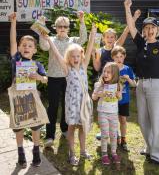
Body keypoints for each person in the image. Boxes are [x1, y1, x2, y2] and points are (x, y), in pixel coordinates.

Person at [124, 0, 159, 164]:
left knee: (158, 120)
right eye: (147, 28)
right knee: (143, 119)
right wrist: (127, 8)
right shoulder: (141, 44)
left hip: (157, 86)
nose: (149, 31)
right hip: (141, 85)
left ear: (157, 30)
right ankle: (150, 148)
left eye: (152, 28)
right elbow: (131, 27)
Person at [42, 24, 96, 165]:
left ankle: (83, 151)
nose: (76, 58)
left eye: (78, 56)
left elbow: (89, 48)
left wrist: (93, 35)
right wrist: (49, 41)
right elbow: (58, 55)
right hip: (72, 103)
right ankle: (72, 153)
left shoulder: (84, 66)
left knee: (83, 127)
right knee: (71, 127)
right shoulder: (66, 68)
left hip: (84, 102)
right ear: (69, 57)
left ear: (81, 56)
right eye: (72, 56)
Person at [39, 11, 87, 147]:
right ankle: (49, 136)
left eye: (65, 26)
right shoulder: (51, 40)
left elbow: (83, 39)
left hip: (69, 79)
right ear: (55, 27)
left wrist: (82, 20)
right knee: (52, 107)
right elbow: (43, 46)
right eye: (59, 26)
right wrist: (42, 27)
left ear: (68, 28)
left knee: (67, 105)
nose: (62, 28)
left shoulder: (72, 41)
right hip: (53, 77)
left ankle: (65, 130)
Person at [92, 10, 141, 141]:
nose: (109, 39)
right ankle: (103, 132)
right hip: (104, 82)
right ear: (103, 38)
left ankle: (116, 132)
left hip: (116, 84)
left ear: (115, 38)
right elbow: (97, 67)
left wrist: (134, 17)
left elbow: (126, 31)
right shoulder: (99, 50)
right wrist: (93, 54)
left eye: (112, 37)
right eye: (107, 37)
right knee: (103, 107)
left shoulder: (116, 48)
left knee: (115, 109)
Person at [9, 12, 48, 168]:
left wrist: (38, 77)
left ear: (34, 50)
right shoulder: (16, 59)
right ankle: (20, 153)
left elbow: (45, 79)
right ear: (19, 48)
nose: (26, 47)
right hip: (17, 97)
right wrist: (13, 23)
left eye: (30, 46)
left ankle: (36, 150)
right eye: (23, 45)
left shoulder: (37, 65)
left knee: (36, 125)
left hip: (32, 97)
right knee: (18, 127)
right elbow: (12, 41)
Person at [92, 62, 122, 165]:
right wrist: (100, 94)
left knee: (114, 135)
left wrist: (118, 95)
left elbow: (120, 97)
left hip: (114, 114)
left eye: (109, 72)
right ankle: (104, 154)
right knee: (105, 134)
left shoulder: (118, 85)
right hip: (103, 113)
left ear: (115, 75)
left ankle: (114, 153)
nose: (105, 73)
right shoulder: (99, 84)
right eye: (104, 71)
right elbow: (94, 97)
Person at [111, 46, 136, 152]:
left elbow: (134, 84)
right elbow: (104, 81)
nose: (119, 59)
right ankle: (115, 138)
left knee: (123, 120)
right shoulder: (110, 68)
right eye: (116, 57)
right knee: (113, 120)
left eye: (121, 56)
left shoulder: (127, 69)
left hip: (124, 100)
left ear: (124, 57)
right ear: (113, 57)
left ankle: (123, 139)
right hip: (112, 100)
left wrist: (128, 78)